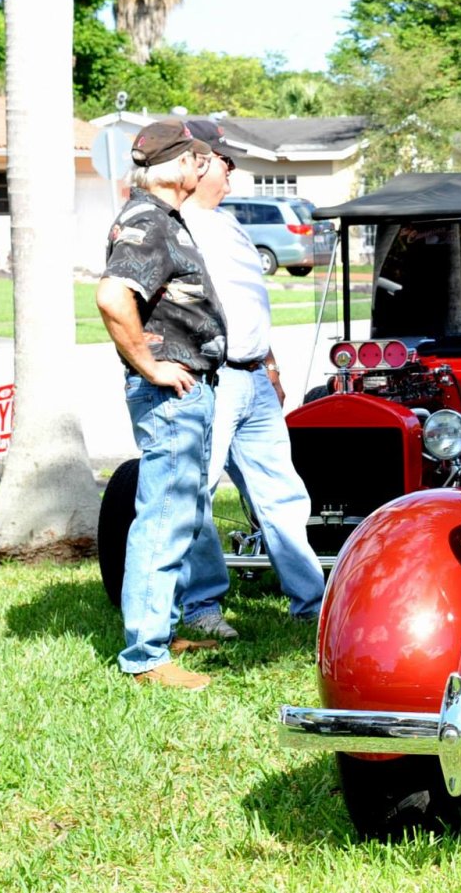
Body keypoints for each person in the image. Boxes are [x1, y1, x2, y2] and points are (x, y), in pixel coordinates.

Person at [176, 119, 326, 634]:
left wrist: (270, 363)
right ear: (194, 162)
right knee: (197, 493)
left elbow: (248, 302)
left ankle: (312, 605)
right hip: (212, 379)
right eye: (222, 159)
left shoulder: (227, 221)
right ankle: (201, 609)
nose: (231, 169)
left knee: (282, 493)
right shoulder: (175, 224)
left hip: (254, 380)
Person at [94, 121, 227, 691]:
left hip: (186, 390)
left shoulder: (162, 220)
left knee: (182, 513)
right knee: (162, 521)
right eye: (196, 159)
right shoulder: (148, 221)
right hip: (169, 392)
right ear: (173, 167)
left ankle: (166, 630)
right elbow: (111, 293)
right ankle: (146, 656)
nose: (203, 168)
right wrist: (149, 366)